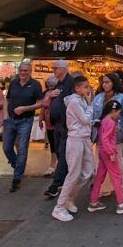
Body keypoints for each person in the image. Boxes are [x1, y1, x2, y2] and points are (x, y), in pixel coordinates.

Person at [52, 76, 95, 222]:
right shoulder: (75, 102)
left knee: (88, 171)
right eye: (85, 87)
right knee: (74, 173)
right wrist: (90, 106)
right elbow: (85, 119)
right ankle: (59, 207)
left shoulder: (81, 100)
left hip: (84, 139)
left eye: (87, 87)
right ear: (77, 88)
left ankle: (69, 198)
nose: (87, 89)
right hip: (75, 140)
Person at [91, 73, 123, 197]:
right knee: (101, 161)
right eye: (103, 82)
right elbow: (93, 114)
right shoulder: (98, 97)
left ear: (114, 83)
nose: (104, 84)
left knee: (117, 160)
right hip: (100, 133)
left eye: (107, 82)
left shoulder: (122, 98)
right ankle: (105, 187)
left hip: (116, 133)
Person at [88, 99, 123, 214]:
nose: (119, 115)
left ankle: (93, 201)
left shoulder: (104, 120)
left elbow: (103, 137)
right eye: (118, 113)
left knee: (100, 176)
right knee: (116, 176)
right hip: (109, 153)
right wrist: (111, 153)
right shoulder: (111, 122)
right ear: (113, 111)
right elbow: (106, 138)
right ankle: (121, 204)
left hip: (103, 152)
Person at [3, 61, 44, 193]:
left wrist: (25, 108)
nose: (23, 73)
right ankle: (18, 167)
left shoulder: (35, 85)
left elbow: (40, 103)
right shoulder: (13, 83)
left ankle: (17, 178)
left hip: (25, 120)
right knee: (6, 147)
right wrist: (5, 115)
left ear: (30, 71)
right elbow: (7, 99)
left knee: (22, 149)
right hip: (10, 120)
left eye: (25, 71)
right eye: (21, 70)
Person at [44, 60, 74, 198]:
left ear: (63, 69)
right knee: (60, 152)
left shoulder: (70, 83)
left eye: (56, 68)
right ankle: (63, 180)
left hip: (65, 125)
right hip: (57, 124)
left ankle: (56, 184)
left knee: (62, 152)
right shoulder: (59, 83)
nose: (54, 70)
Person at [39, 75, 59, 177]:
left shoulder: (57, 93)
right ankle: (53, 165)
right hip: (49, 122)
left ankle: (56, 165)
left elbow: (46, 104)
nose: (50, 86)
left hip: (57, 122)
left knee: (57, 144)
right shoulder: (47, 93)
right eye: (49, 84)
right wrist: (40, 119)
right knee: (53, 144)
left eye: (52, 84)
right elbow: (43, 106)